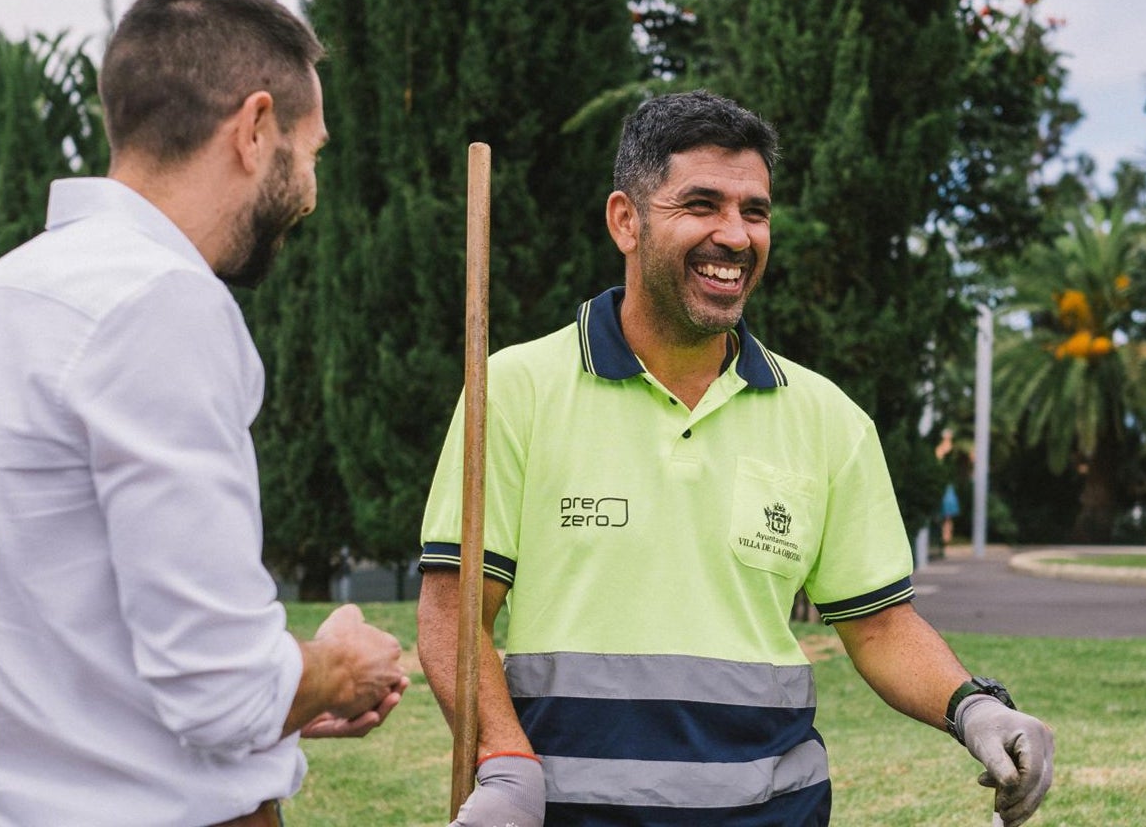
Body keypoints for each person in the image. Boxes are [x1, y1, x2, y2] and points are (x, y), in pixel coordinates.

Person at [417, 90, 1053, 827]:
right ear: (626, 220)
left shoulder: (827, 419)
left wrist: (973, 708)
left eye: (755, 212)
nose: (736, 235)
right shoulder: (513, 392)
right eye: (702, 204)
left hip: (776, 814)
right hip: (568, 815)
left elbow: (880, 627)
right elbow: (453, 615)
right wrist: (504, 764)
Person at [0, 0, 407, 825]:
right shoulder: (161, 303)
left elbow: (65, 643)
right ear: (256, 129)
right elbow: (222, 690)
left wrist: (283, 703)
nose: (312, 192)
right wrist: (336, 665)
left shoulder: (13, 293)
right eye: (311, 151)